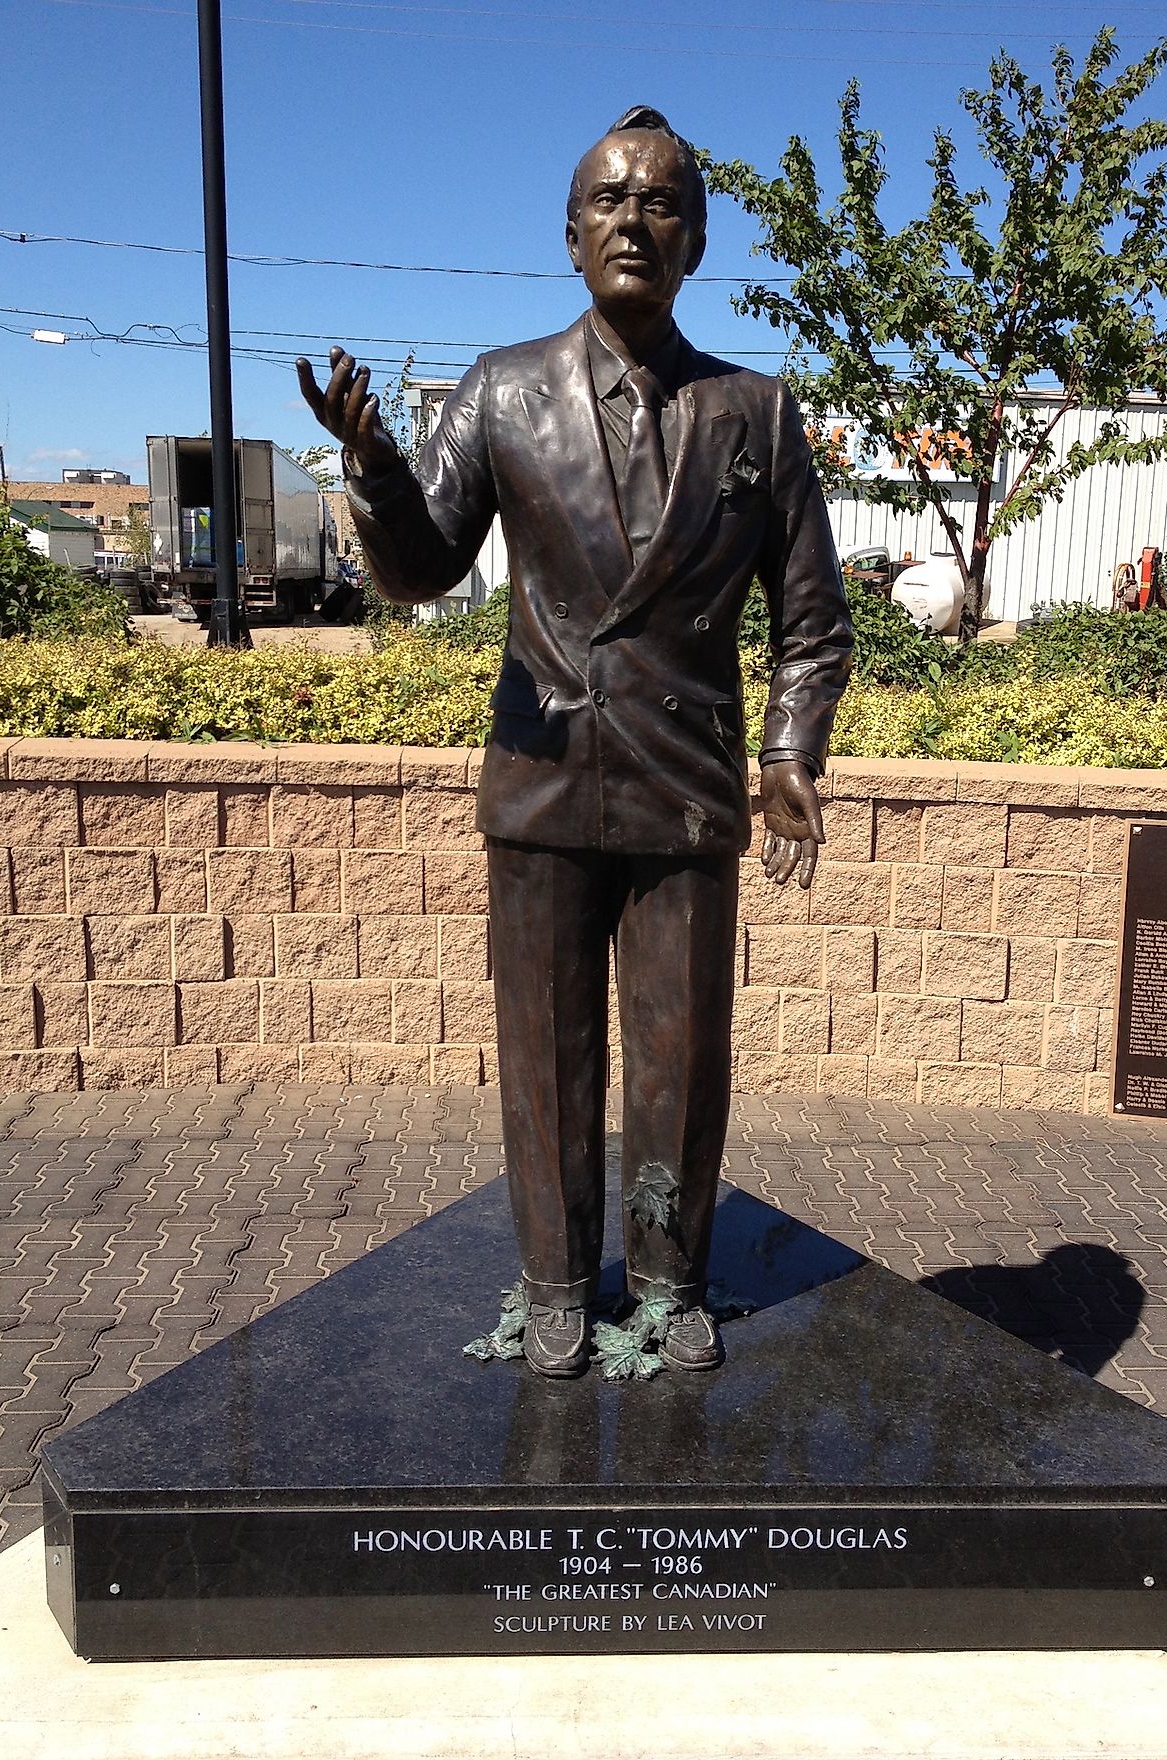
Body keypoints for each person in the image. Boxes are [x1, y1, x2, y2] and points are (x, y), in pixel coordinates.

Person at [298, 106, 852, 1378]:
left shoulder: (756, 415)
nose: (633, 221)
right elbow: (421, 569)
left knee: (677, 1059)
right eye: (608, 199)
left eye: (662, 202)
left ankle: (669, 1279)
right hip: (545, 777)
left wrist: (788, 755)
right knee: (547, 1056)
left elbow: (813, 623)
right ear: (569, 233)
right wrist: (377, 471)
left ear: (698, 237)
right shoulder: (499, 390)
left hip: (687, 789)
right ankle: (553, 1280)